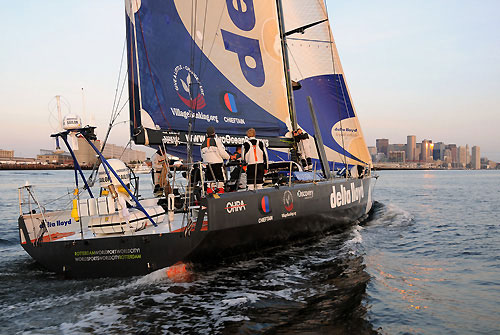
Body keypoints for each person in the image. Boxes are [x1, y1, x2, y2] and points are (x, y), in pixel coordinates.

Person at [200, 126, 230, 193]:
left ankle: (210, 194)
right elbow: (222, 152)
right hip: (217, 164)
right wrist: (228, 157)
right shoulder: (216, 141)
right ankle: (220, 194)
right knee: (220, 181)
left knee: (210, 182)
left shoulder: (202, 144)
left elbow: (202, 156)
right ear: (214, 133)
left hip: (208, 166)